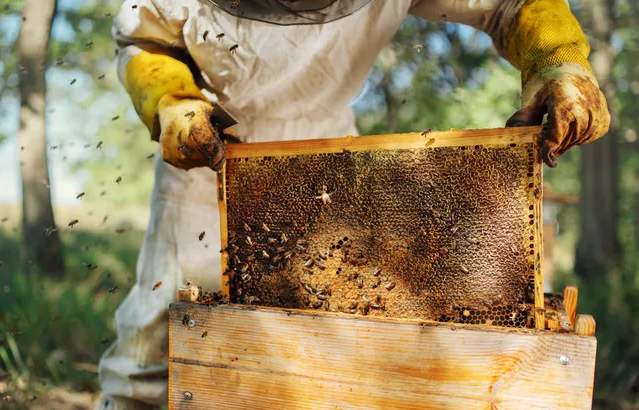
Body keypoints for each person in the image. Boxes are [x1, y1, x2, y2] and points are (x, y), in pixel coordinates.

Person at [97, 0, 610, 408]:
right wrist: (172, 101)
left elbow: (512, 4)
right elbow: (145, 37)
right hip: (211, 148)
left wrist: (558, 62)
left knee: (330, 340)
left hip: (330, 157)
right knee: (157, 342)